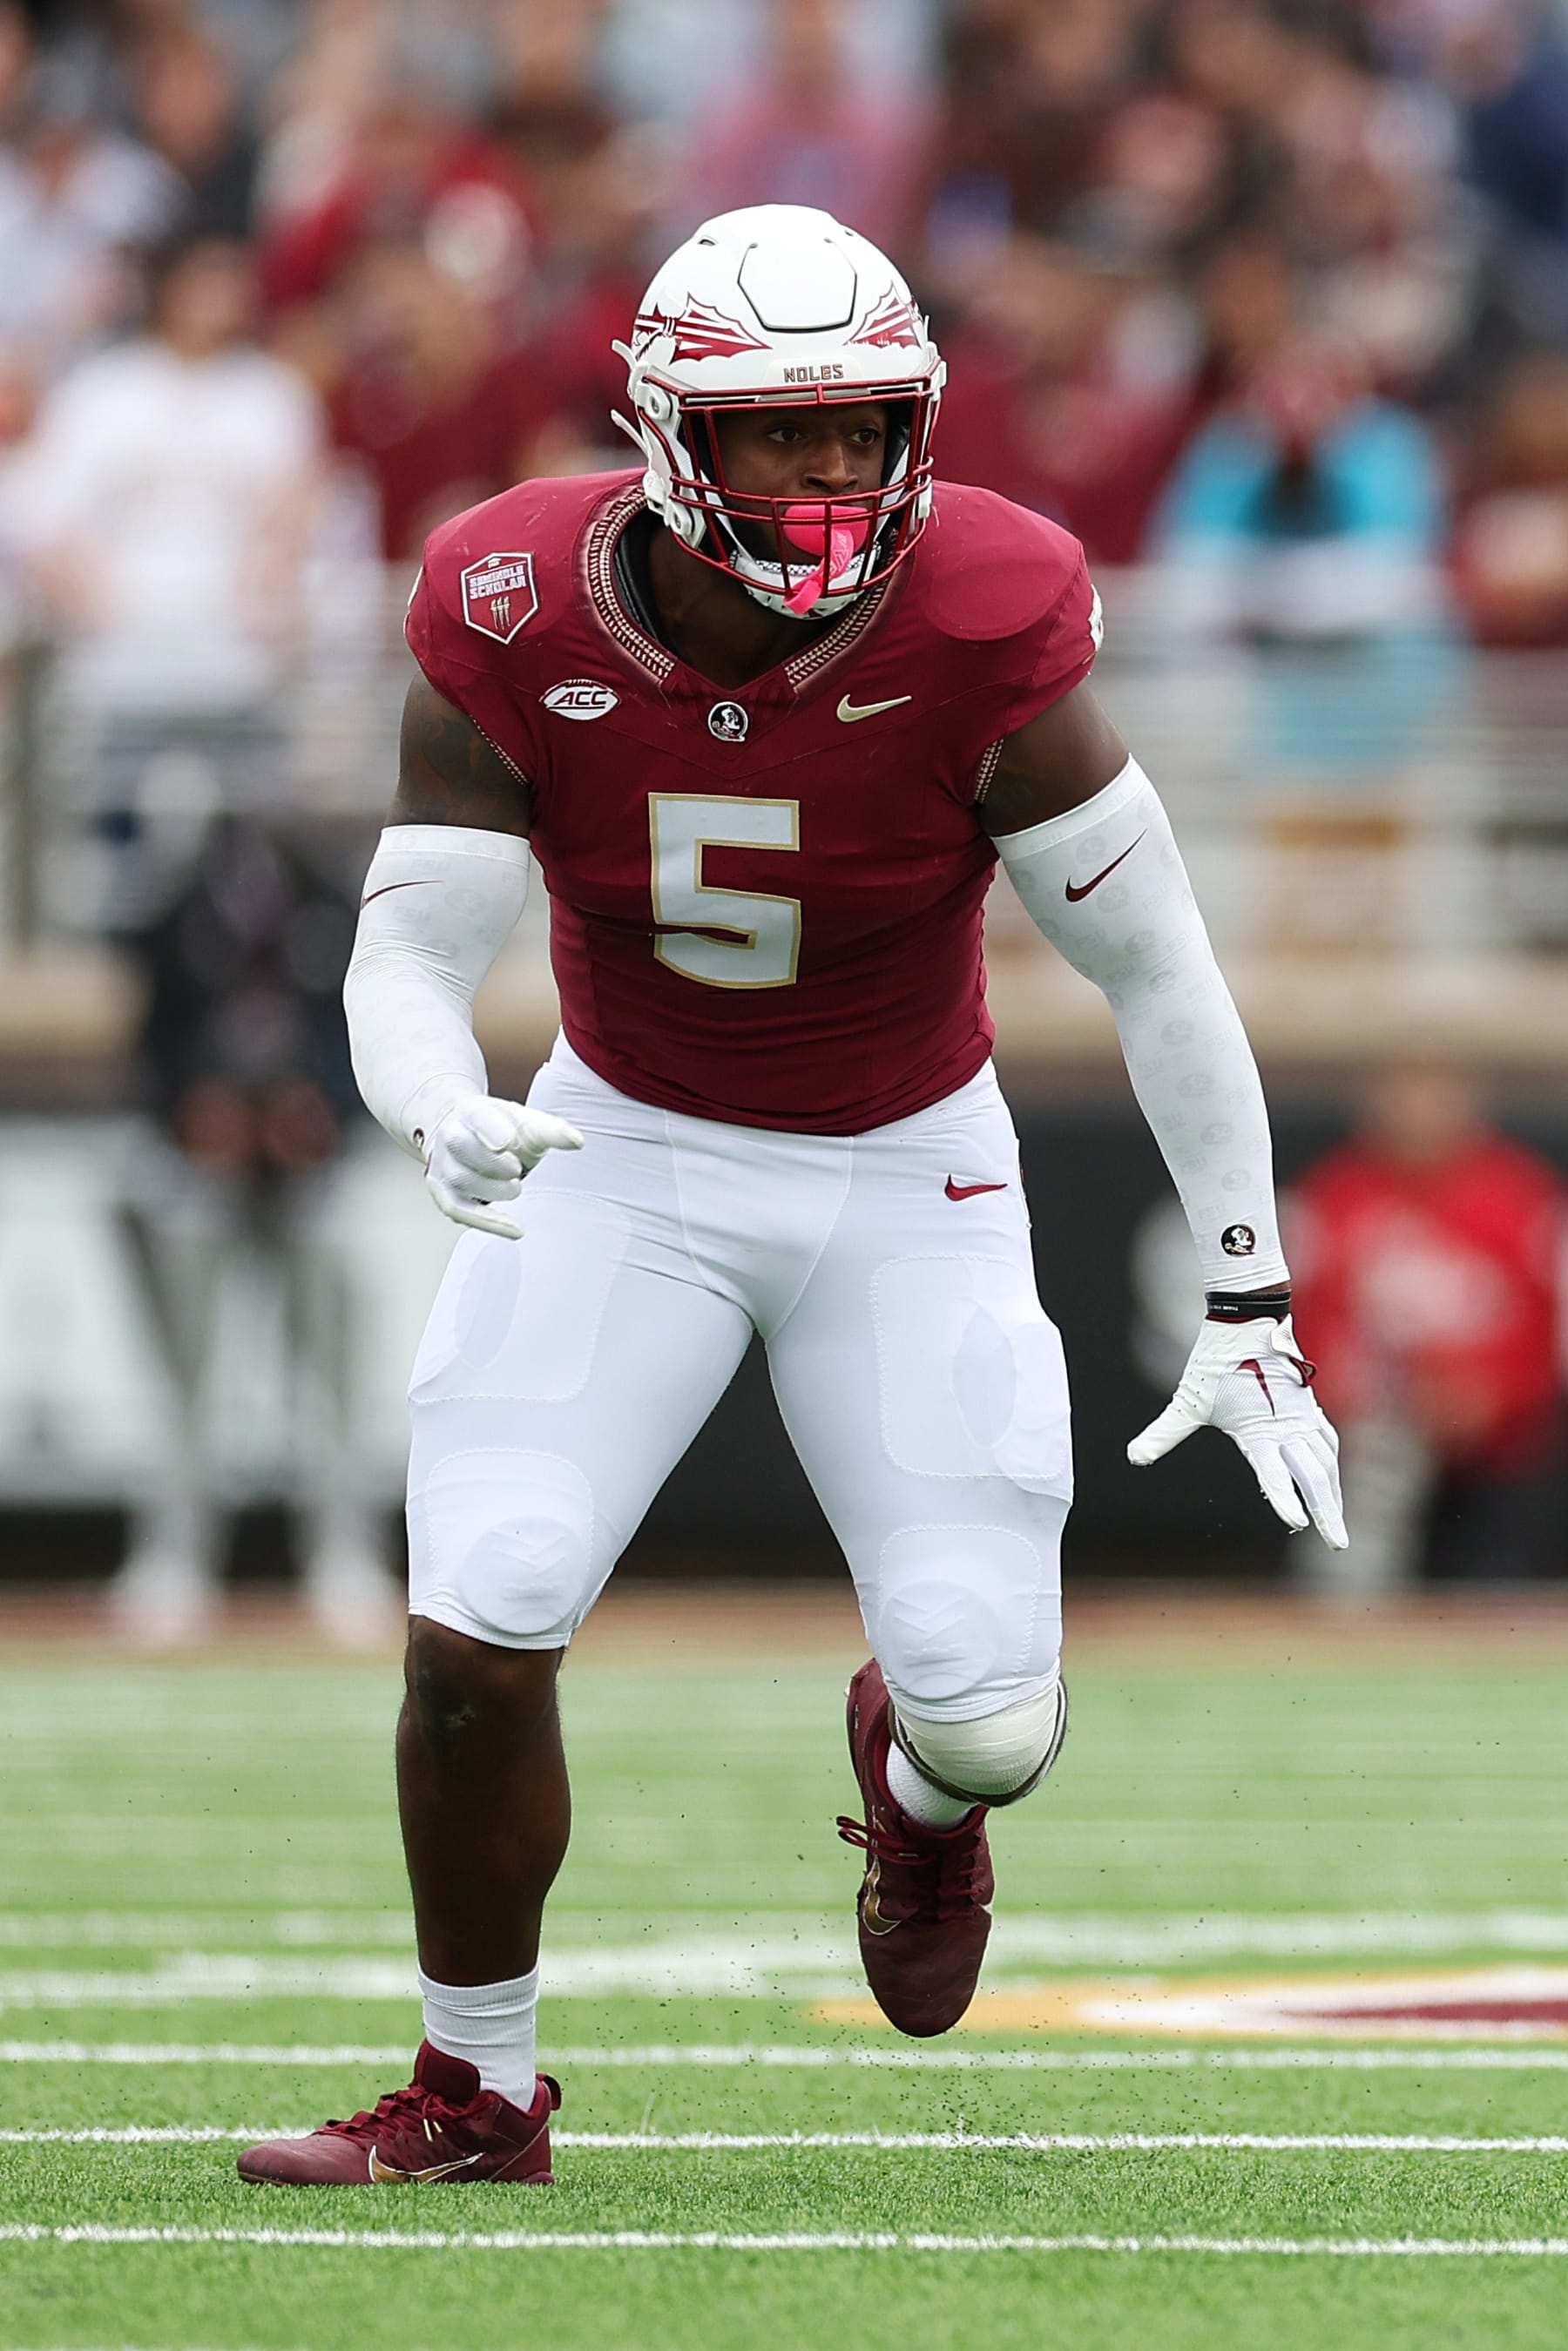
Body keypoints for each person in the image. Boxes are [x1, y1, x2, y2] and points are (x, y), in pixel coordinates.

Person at [237, 205, 1344, 2190]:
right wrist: (433, 1103)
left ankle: (922, 1789)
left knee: (995, 1716)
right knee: (474, 1623)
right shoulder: (513, 598)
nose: (835, 475)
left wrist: (1253, 1296)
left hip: (905, 1167)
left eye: (864, 429)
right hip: (622, 1145)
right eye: (785, 434)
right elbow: (406, 957)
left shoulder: (988, 606)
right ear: (672, 435)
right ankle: (475, 2089)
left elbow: (1161, 964)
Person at [1289, 1060, 1566, 1591]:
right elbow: (1307, 1319)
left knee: (1495, 1592)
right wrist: (1349, 1395)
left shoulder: (1519, 1196)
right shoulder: (1336, 1195)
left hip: (1497, 1456)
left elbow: (1544, 1328)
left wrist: (1491, 1398)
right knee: (1350, 1578)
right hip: (1370, 1443)